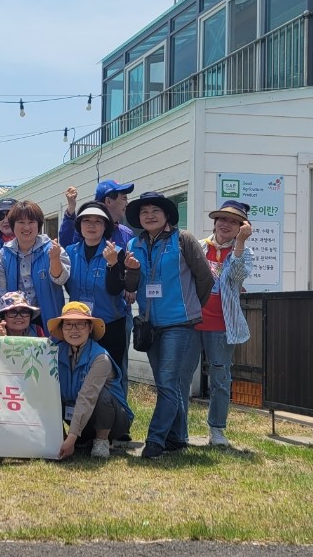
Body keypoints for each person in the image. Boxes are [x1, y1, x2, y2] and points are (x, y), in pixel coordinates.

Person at [123, 191, 214, 460]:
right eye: (144, 212)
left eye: (155, 211)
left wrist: (189, 307)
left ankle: (155, 440)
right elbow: (129, 288)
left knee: (166, 382)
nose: (149, 216)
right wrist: (132, 271)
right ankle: (176, 437)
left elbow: (205, 278)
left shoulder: (183, 239)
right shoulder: (133, 245)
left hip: (180, 324)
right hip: (150, 325)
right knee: (169, 383)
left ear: (166, 215)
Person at [197, 200, 254, 447]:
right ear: (215, 222)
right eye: (222, 219)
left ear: (242, 227)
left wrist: (240, 243)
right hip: (190, 322)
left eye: (233, 221)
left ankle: (217, 431)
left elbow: (239, 276)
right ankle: (176, 431)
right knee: (180, 376)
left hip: (222, 325)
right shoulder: (198, 246)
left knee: (220, 379)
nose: (226, 224)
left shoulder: (244, 252)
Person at [48, 302, 133, 459]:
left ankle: (101, 440)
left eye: (80, 324)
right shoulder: (54, 353)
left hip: (114, 420)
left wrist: (72, 438)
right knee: (49, 392)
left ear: (90, 328)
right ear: (61, 329)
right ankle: (69, 437)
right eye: (68, 325)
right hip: (78, 416)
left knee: (102, 395)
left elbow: (87, 397)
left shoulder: (101, 358)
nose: (74, 330)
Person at [64, 202, 129, 377]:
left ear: (105, 225)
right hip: (80, 325)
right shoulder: (69, 252)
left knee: (112, 376)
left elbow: (116, 289)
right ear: (79, 225)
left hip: (110, 324)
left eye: (98, 221)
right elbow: (67, 285)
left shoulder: (116, 251)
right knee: (80, 373)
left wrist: (113, 264)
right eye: (86, 221)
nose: (91, 225)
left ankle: (115, 405)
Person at [0, 200, 70, 333]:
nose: (26, 227)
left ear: (39, 225)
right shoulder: (1, 257)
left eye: (31, 222)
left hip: (49, 319)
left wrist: (55, 259)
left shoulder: (53, 248)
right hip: (15, 321)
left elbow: (61, 280)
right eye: (21, 222)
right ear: (13, 225)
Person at [59, 180, 135, 248]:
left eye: (98, 222)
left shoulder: (127, 234)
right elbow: (67, 244)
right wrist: (71, 207)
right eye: (124, 198)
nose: (127, 204)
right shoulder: (85, 229)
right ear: (108, 201)